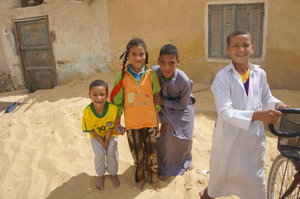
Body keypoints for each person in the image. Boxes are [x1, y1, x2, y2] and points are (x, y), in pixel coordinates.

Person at [200, 30, 289, 199]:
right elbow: (225, 112)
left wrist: (277, 104)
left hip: (251, 139)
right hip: (229, 139)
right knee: (219, 180)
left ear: (252, 48)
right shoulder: (222, 77)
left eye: (245, 45)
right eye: (236, 45)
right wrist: (257, 115)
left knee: (255, 182)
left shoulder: (259, 74)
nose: (241, 49)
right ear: (228, 49)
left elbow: (266, 97)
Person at [110, 38, 161, 191]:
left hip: (151, 122)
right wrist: (118, 122)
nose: (138, 58)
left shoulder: (152, 75)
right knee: (138, 155)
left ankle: (153, 179)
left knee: (152, 154)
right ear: (128, 56)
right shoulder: (123, 77)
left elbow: (156, 100)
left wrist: (157, 121)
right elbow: (117, 102)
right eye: (134, 54)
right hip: (132, 124)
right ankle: (140, 178)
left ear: (146, 55)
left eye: (141, 54)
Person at [152, 44, 195, 180]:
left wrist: (164, 102)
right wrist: (165, 119)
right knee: (166, 132)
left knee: (185, 136)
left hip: (182, 107)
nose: (167, 67)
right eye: (163, 63)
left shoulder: (184, 80)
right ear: (158, 62)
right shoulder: (153, 73)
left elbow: (183, 104)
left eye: (171, 63)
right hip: (162, 107)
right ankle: (164, 166)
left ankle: (184, 160)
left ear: (178, 62)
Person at [82, 80, 121, 191]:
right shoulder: (87, 112)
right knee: (99, 155)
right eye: (94, 95)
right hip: (96, 137)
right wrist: (101, 141)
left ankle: (113, 174)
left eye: (102, 94)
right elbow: (91, 130)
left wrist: (107, 141)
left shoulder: (112, 109)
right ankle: (100, 175)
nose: (99, 98)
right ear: (89, 96)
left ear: (107, 95)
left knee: (111, 153)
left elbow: (110, 127)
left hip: (110, 135)